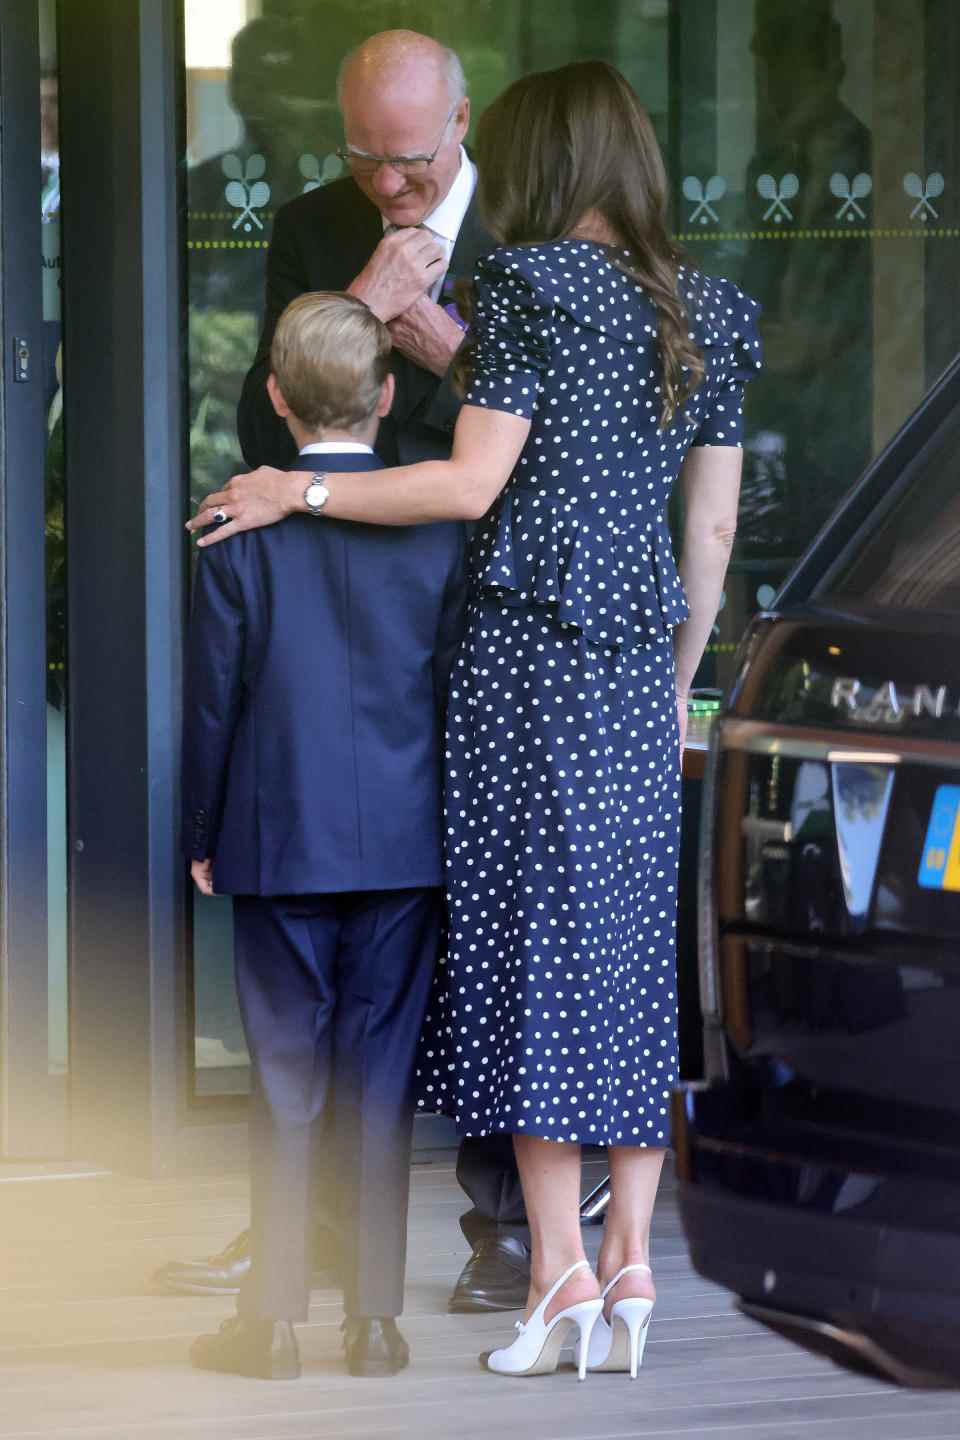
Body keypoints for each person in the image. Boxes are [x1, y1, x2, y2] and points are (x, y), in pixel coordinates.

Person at [190, 57, 763, 1380]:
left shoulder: (525, 284)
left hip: (523, 656)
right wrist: (680, 667)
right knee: (622, 954)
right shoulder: (714, 316)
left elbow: (467, 482)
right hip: (633, 664)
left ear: (510, 149)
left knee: (521, 956)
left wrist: (296, 491)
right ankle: (623, 1265)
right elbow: (716, 531)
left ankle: (549, 1262)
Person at [159, 28, 535, 1318]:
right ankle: (321, 1267)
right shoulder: (319, 226)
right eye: (364, 156)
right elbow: (273, 424)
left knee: (477, 957)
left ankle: (504, 1231)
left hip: (480, 614)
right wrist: (365, 304)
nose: (387, 184)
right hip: (349, 611)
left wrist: (447, 351)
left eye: (409, 158)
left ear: (463, 123)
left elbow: (566, 441)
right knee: (371, 1023)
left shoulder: (536, 239)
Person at [182, 291, 465, 1380]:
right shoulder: (438, 528)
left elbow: (215, 703)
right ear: (389, 398)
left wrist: (205, 832)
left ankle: (272, 1324)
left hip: (279, 839)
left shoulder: (235, 529)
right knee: (379, 1079)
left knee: (285, 1079)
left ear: (275, 399)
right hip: (403, 843)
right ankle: (378, 1323)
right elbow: (450, 698)